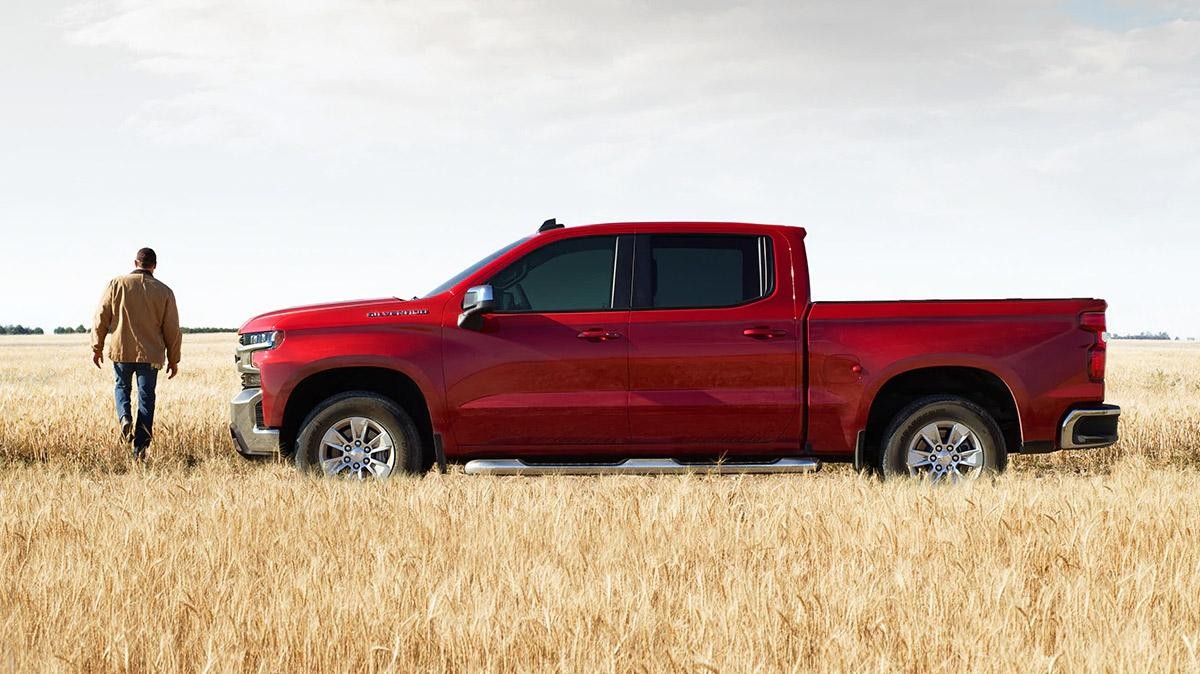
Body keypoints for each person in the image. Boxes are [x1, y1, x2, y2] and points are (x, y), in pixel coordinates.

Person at [91, 247, 182, 459]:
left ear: (135, 263)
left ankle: (124, 418)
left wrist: (97, 347)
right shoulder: (165, 291)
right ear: (155, 266)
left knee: (122, 386)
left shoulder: (116, 284)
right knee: (146, 398)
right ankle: (140, 448)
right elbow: (172, 328)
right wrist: (174, 358)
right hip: (151, 355)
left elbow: (101, 317)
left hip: (121, 351)